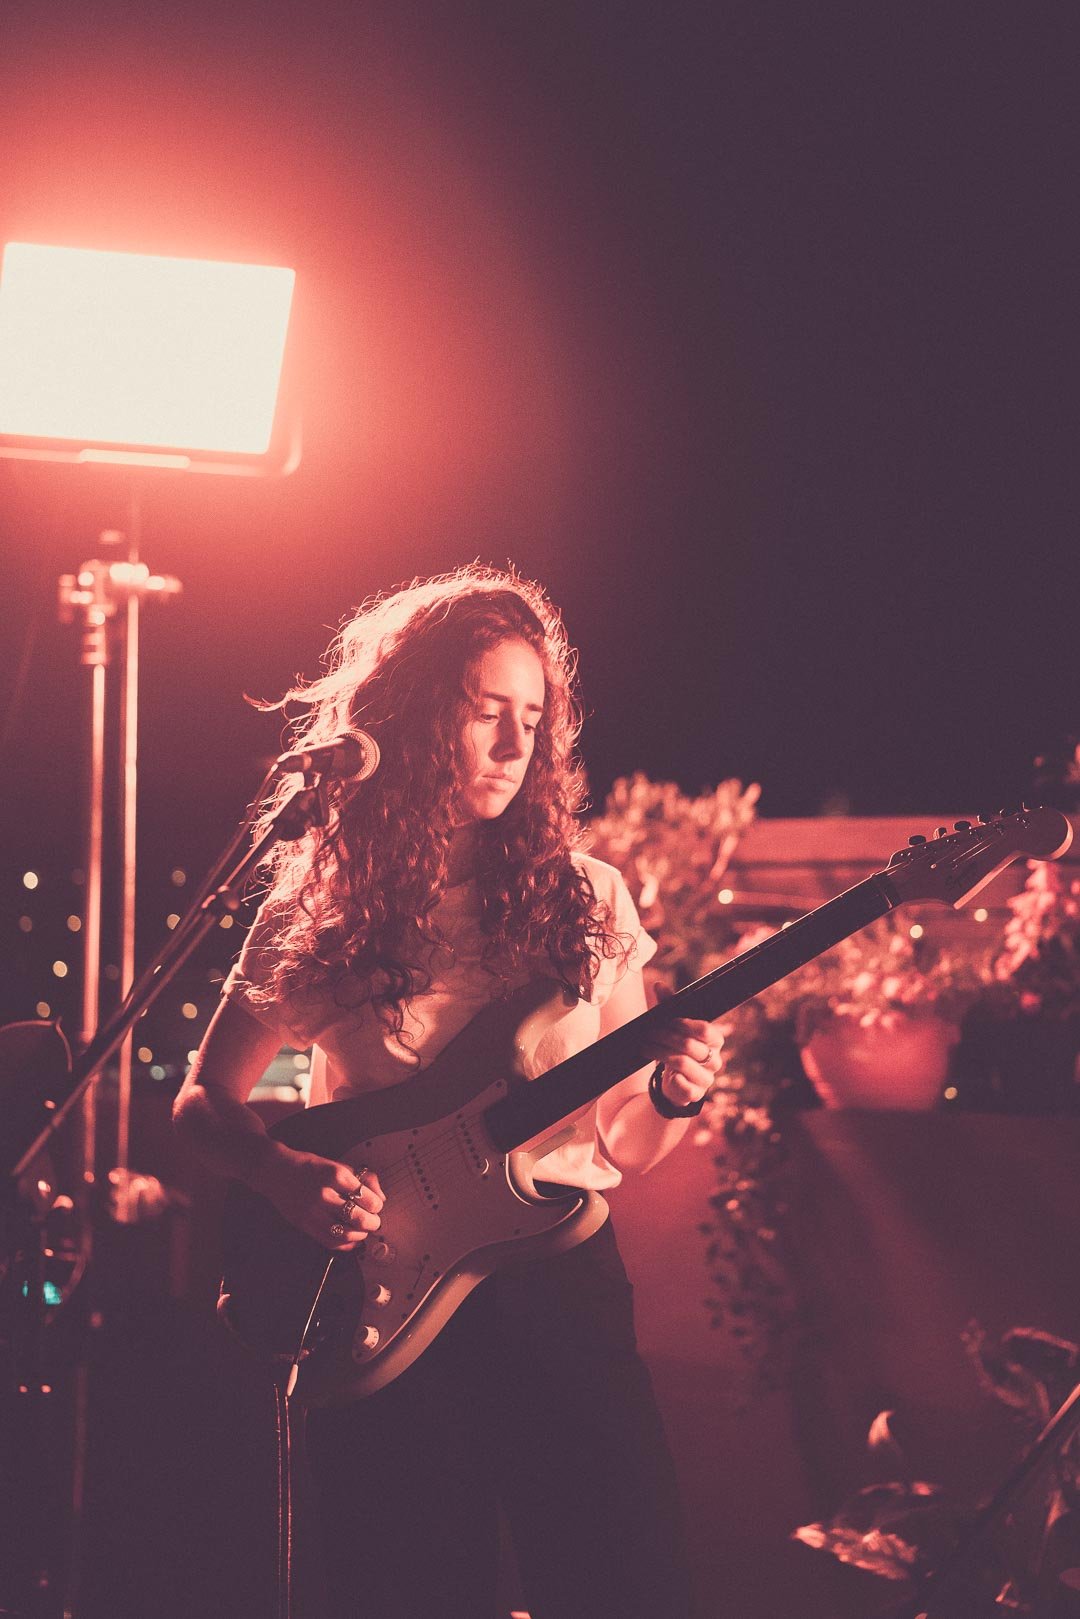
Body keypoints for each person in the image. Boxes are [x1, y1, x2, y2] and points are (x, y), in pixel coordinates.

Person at [173, 565, 725, 1619]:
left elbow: (619, 1138)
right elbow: (205, 1095)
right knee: (411, 1583)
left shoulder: (587, 895)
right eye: (487, 714)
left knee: (625, 1577)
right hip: (384, 1292)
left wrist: (672, 1091)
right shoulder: (323, 900)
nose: (518, 747)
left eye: (533, 718)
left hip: (560, 1288)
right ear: (423, 717)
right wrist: (279, 1172)